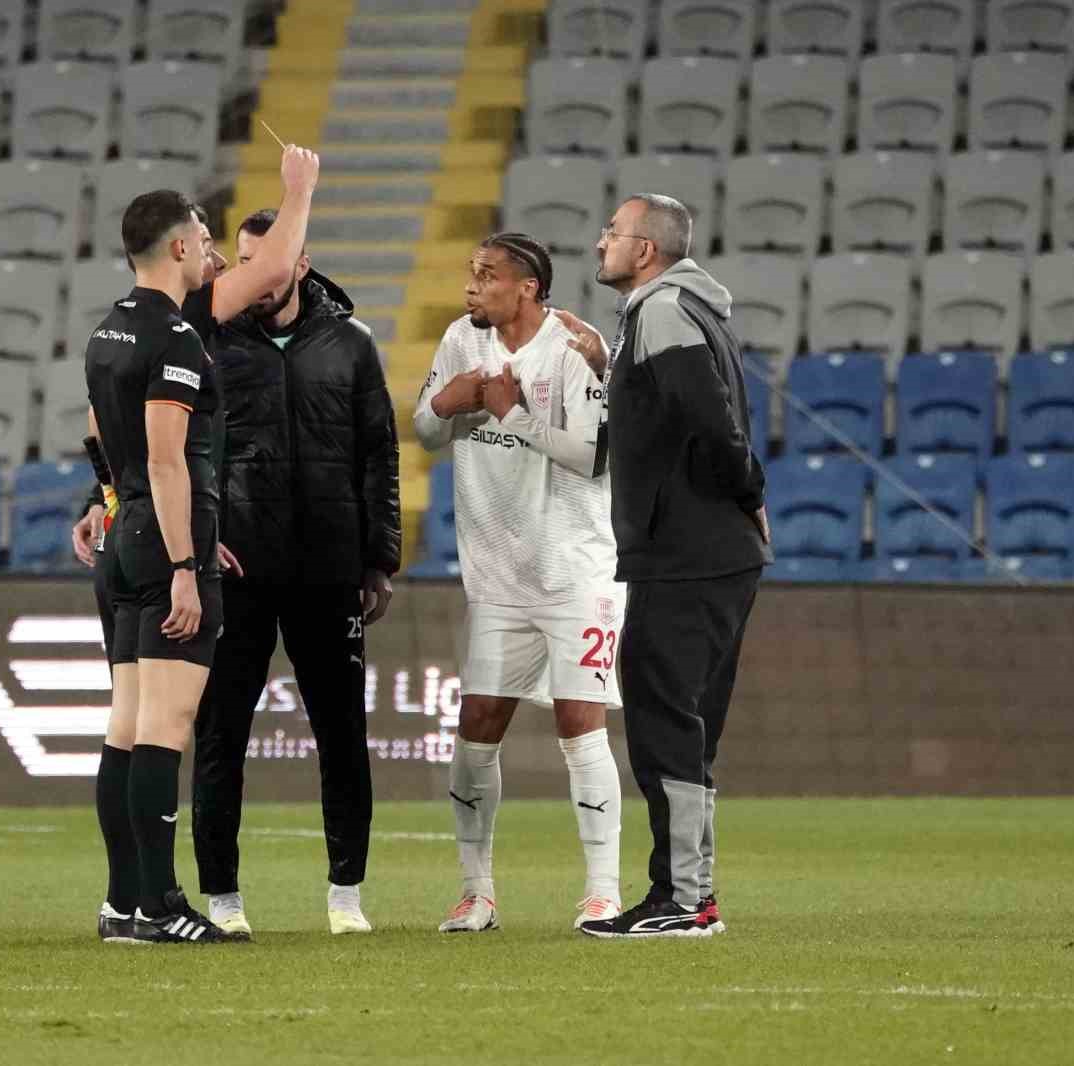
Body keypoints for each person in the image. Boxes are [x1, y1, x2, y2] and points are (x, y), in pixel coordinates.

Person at [76, 147, 320, 943]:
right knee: (164, 732)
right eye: (204, 238)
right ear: (180, 247)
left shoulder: (108, 329)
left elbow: (98, 432)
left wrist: (101, 502)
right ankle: (158, 905)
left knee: (125, 725)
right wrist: (185, 562)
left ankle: (122, 903)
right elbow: (163, 457)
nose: (213, 249)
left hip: (122, 535)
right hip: (161, 544)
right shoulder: (178, 339)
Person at [565, 195, 772, 940]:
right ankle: (687, 894)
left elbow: (709, 417)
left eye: (613, 233)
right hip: (708, 550)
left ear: (646, 250)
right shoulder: (684, 310)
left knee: (664, 723)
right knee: (683, 726)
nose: (600, 244)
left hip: (687, 549)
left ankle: (683, 900)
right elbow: (676, 407)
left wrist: (748, 491)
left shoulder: (660, 313)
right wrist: (608, 362)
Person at [189, 208, 400, 939]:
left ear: (301, 263)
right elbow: (172, 443)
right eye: (244, 260)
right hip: (235, 567)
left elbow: (379, 454)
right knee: (221, 736)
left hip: (329, 565)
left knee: (342, 735)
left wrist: (380, 558)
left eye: (270, 259)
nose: (255, 273)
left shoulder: (351, 344)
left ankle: (346, 896)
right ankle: (222, 899)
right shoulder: (207, 340)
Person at [413, 233, 624, 934]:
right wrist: (444, 406)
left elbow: (592, 458)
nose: (472, 287)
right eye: (471, 273)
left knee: (579, 728)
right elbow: (424, 429)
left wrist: (511, 415)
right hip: (497, 578)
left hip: (575, 572)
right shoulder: (458, 340)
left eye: (488, 276)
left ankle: (603, 892)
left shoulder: (570, 347)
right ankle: (477, 894)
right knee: (475, 731)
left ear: (528, 286)